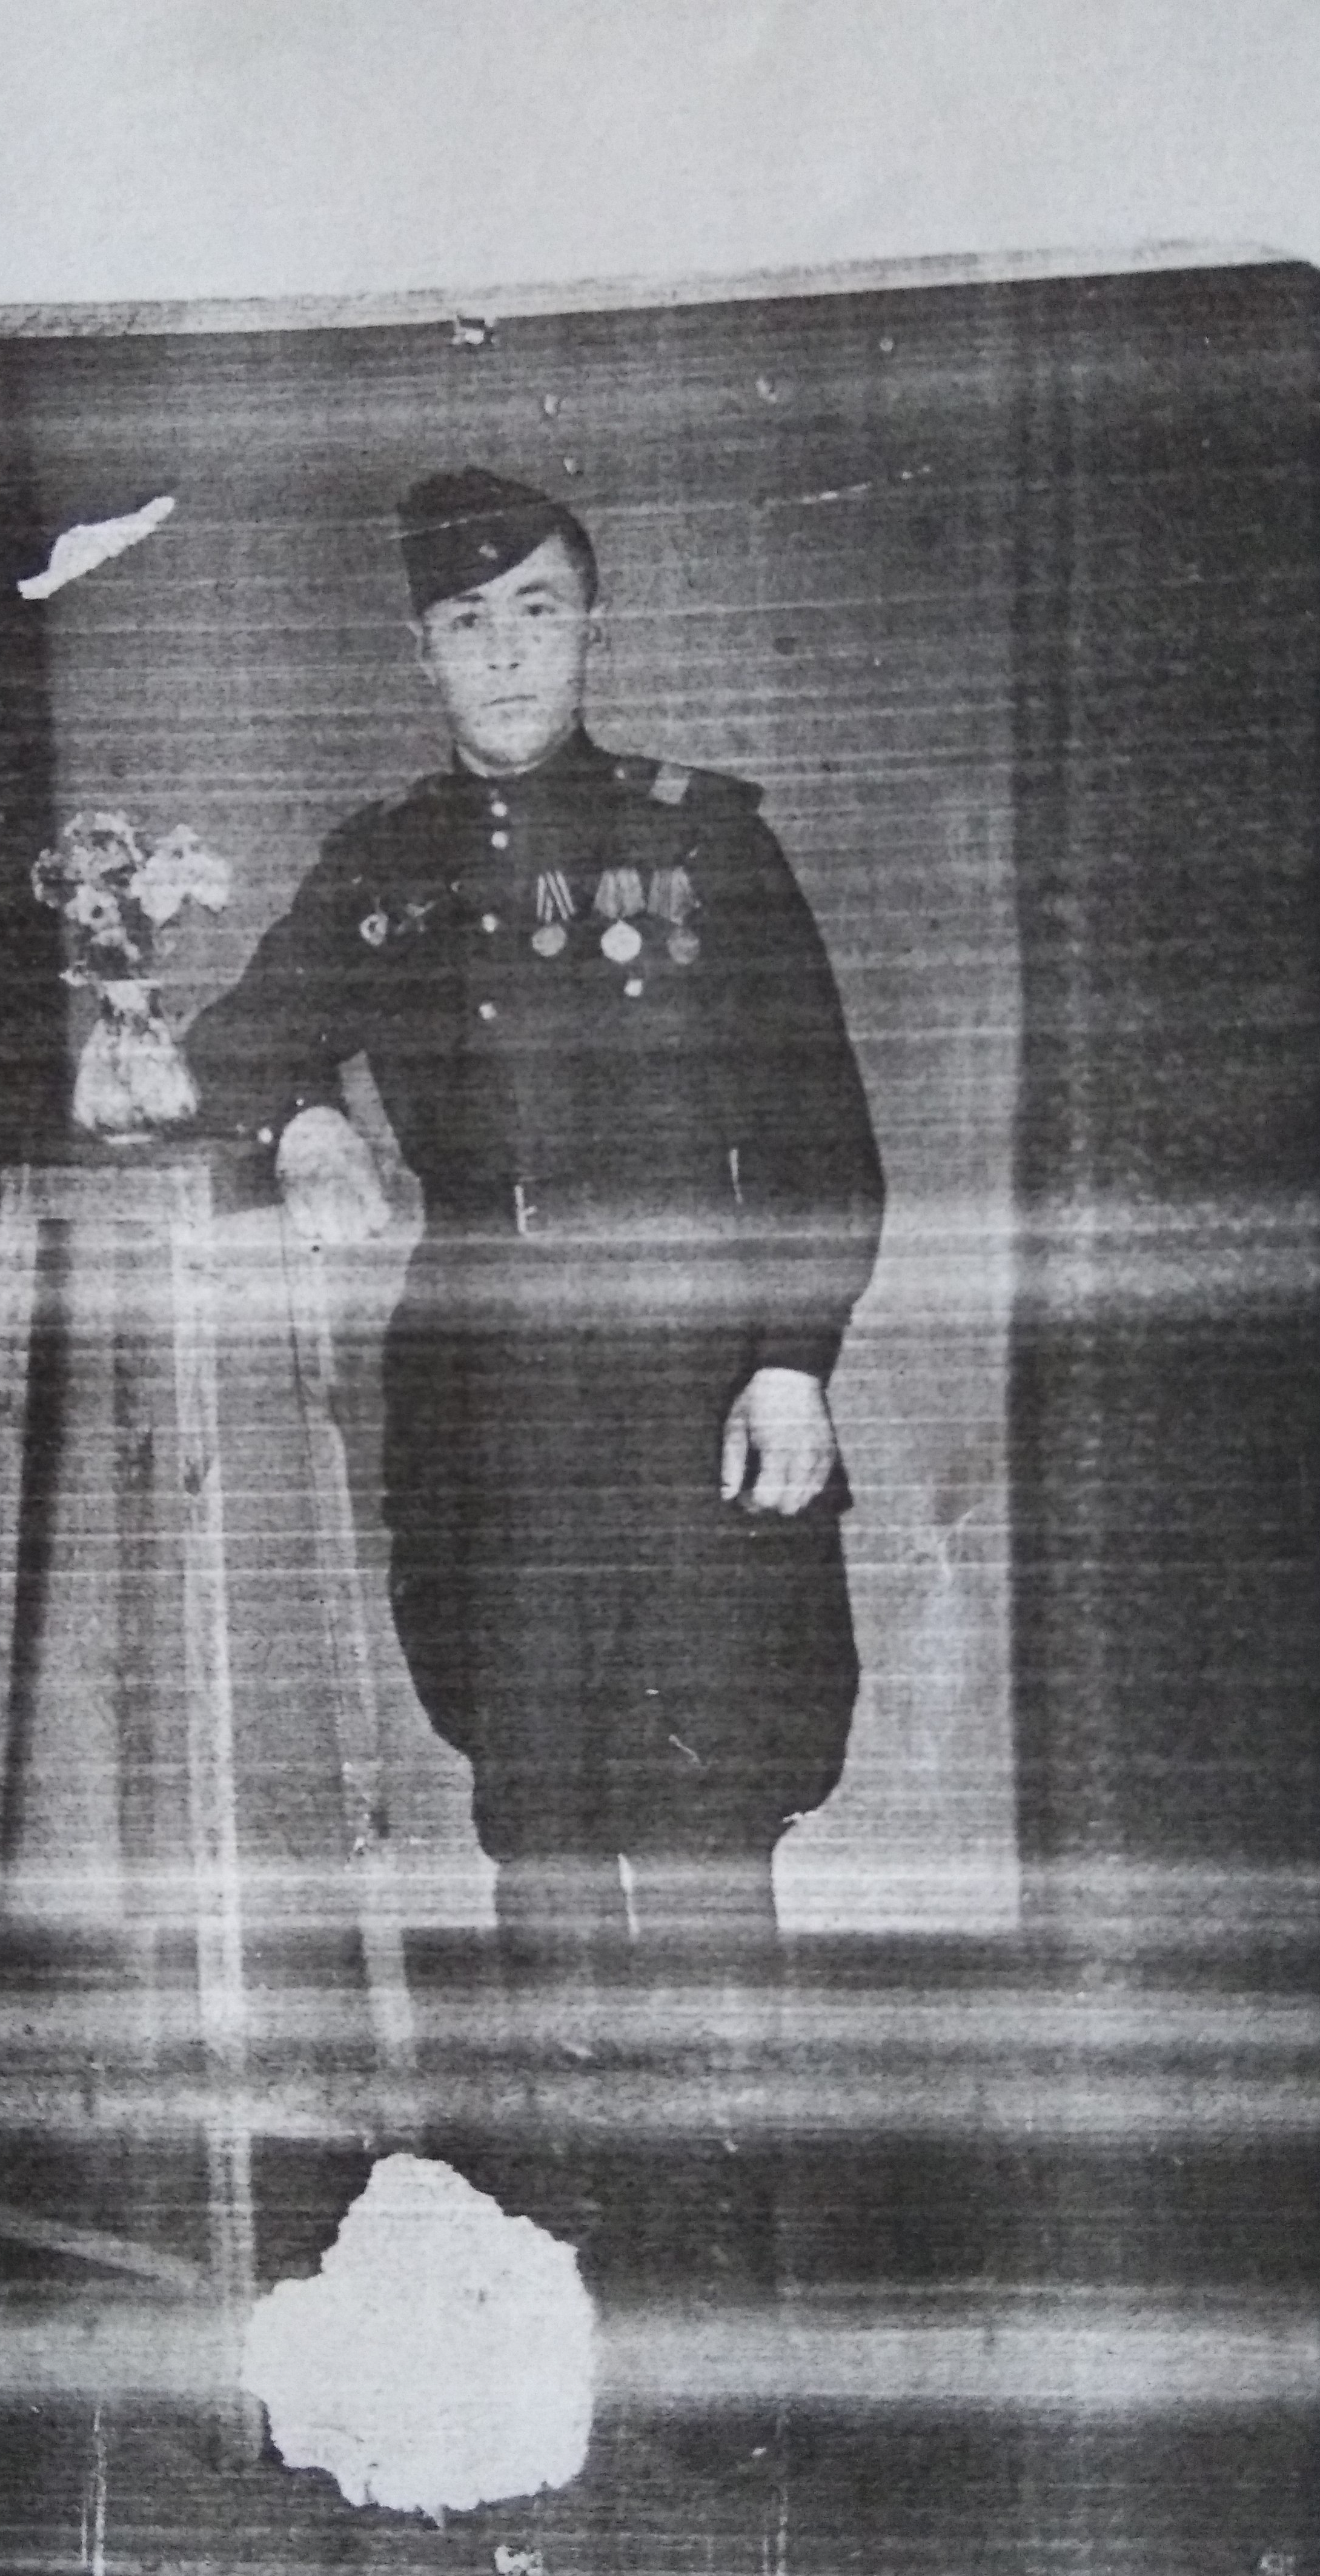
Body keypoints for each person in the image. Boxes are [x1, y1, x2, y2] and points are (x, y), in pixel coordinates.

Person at [184, 467, 883, 2031]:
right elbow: (229, 1044)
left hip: (691, 1370)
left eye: (537, 611)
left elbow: (821, 1136)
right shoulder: (381, 863)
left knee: (711, 1787)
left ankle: (723, 2148)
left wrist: (793, 1358)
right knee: (533, 1789)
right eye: (465, 621)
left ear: (590, 629)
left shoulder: (705, 844)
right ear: (421, 652)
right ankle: (560, 2145)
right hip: (484, 1386)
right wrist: (302, 1118)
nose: (504, 653)